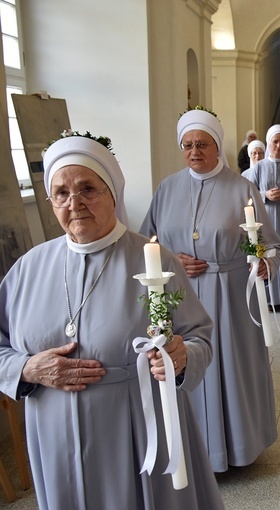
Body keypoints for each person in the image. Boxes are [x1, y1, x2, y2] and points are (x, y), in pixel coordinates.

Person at [0, 133, 224, 509]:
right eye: (61, 193)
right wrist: (25, 368)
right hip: (53, 435)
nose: (75, 203)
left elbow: (198, 336)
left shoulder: (154, 259)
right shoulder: (28, 269)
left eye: (88, 189)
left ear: (112, 193)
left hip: (136, 429)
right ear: (51, 201)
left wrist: (182, 356)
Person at [141, 109, 280, 472]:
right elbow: (148, 242)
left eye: (201, 144)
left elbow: (268, 244)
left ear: (217, 146)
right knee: (183, 365)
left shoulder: (241, 188)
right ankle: (192, 450)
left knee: (229, 369)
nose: (194, 151)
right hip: (180, 299)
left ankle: (236, 447)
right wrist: (172, 261)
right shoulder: (167, 188)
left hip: (231, 296)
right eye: (187, 145)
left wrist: (263, 263)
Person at [242, 124, 280, 314]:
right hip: (265, 218)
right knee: (266, 255)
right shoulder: (259, 167)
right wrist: (265, 195)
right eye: (275, 142)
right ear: (269, 143)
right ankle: (268, 299)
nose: (278, 146)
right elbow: (250, 196)